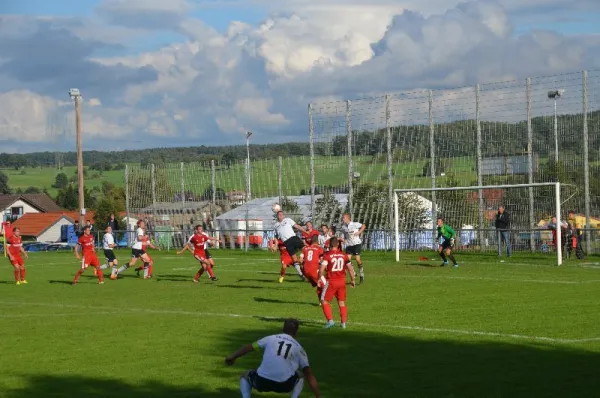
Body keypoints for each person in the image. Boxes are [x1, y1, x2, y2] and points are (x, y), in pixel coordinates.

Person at [225, 319, 321, 398]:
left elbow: (248, 348)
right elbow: (308, 374)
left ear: (282, 329)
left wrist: (233, 357)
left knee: (245, 376)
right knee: (300, 375)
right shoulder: (299, 349)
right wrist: (317, 395)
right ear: (296, 332)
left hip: (261, 382)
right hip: (284, 385)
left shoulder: (270, 338)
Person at [318, 238, 355, 328]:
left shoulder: (327, 255)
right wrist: (353, 280)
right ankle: (343, 323)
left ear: (330, 245)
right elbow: (350, 269)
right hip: (342, 281)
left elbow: (321, 269)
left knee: (324, 300)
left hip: (332, 281)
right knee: (341, 302)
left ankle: (330, 321)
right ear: (338, 244)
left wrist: (319, 278)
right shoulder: (344, 255)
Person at [274, 211, 307, 278]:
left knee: (305, 249)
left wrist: (305, 231)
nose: (281, 215)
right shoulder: (276, 225)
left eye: (282, 214)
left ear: (284, 216)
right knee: (294, 259)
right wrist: (275, 245)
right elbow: (276, 237)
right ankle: (302, 274)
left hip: (293, 238)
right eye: (279, 215)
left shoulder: (287, 220)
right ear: (277, 216)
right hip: (287, 242)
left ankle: (305, 259)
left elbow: (296, 226)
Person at [300, 235, 326, 304]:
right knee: (326, 285)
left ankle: (320, 301)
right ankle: (324, 301)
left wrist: (303, 271)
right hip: (314, 270)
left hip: (306, 271)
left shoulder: (305, 248)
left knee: (319, 284)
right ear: (318, 241)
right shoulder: (319, 249)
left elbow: (300, 260)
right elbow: (322, 260)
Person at [340, 213, 366, 284]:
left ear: (348, 218)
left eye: (344, 218)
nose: (343, 219)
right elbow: (344, 236)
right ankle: (353, 273)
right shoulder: (343, 227)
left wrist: (359, 232)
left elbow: (363, 225)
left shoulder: (355, 224)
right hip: (349, 245)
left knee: (357, 260)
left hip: (357, 244)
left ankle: (361, 274)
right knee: (347, 260)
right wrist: (343, 240)